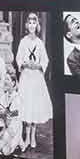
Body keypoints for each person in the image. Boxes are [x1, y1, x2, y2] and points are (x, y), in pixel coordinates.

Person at [13, 13, 51, 148]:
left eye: (34, 23)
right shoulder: (23, 41)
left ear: (37, 25)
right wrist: (24, 64)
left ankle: (33, 136)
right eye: (29, 23)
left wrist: (39, 66)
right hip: (26, 77)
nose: (31, 25)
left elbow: (45, 60)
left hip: (36, 78)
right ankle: (27, 136)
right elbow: (18, 58)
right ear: (26, 25)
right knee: (26, 105)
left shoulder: (40, 43)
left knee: (35, 106)